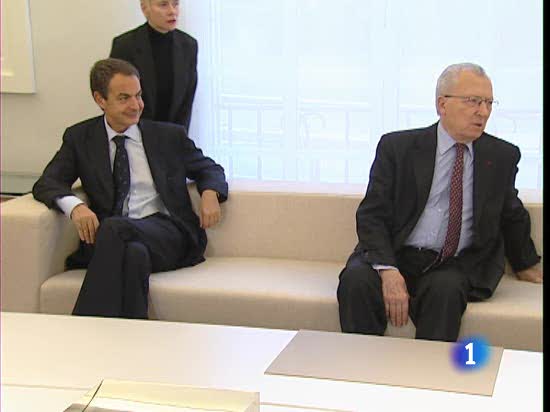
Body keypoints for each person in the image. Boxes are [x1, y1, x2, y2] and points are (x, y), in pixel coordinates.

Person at [337, 63, 542, 342]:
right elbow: (372, 214)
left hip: (452, 262)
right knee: (356, 282)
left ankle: (430, 369)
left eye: (488, 103)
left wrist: (526, 264)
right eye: (473, 101)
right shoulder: (398, 148)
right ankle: (361, 363)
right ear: (442, 104)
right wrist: (388, 270)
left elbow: (511, 213)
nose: (483, 112)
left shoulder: (501, 156)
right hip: (396, 251)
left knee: (445, 290)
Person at [33, 58, 227, 319]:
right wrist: (76, 207)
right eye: (124, 98)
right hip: (118, 240)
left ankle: (80, 328)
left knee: (114, 227)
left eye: (138, 95)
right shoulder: (81, 138)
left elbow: (210, 168)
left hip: (167, 233)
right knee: (134, 254)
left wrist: (210, 194)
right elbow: (48, 182)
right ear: (100, 99)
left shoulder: (168, 136)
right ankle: (134, 334)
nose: (136, 105)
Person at [110, 0, 197, 130]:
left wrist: (179, 136)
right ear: (145, 8)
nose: (172, 11)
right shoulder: (125, 45)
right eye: (163, 5)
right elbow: (116, 97)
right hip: (134, 132)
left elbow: (187, 101)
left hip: (174, 134)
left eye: (175, 4)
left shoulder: (189, 45)